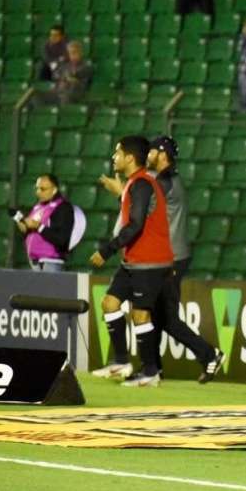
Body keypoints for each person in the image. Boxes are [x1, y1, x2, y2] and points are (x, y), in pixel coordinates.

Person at [98, 136, 224, 383]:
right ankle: (155, 368)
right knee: (156, 316)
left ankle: (201, 357)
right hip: (165, 257)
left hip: (169, 259)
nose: (148, 156)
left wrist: (120, 191)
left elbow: (141, 210)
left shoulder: (164, 182)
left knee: (162, 317)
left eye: (153, 151)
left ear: (163, 154)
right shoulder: (162, 180)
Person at [89, 136, 172, 387]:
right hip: (133, 260)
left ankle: (150, 372)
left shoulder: (143, 184)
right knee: (110, 303)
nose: (114, 157)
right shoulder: (135, 184)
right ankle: (121, 362)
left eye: (117, 153)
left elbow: (136, 225)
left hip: (150, 261)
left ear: (129, 157)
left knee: (140, 315)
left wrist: (107, 249)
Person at [16, 175, 84, 272]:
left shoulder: (63, 208)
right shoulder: (37, 207)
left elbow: (61, 239)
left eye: (43, 189)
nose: (38, 192)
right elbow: (33, 235)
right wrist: (25, 230)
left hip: (51, 262)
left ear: (54, 189)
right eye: (37, 188)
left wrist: (39, 226)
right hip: (35, 262)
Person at [33, 41, 93, 107]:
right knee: (36, 96)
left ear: (80, 52)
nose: (72, 55)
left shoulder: (85, 67)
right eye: (70, 53)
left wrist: (68, 79)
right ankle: (41, 116)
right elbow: (57, 76)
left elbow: (80, 83)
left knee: (65, 98)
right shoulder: (66, 65)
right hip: (58, 92)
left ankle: (64, 115)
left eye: (75, 52)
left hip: (73, 94)